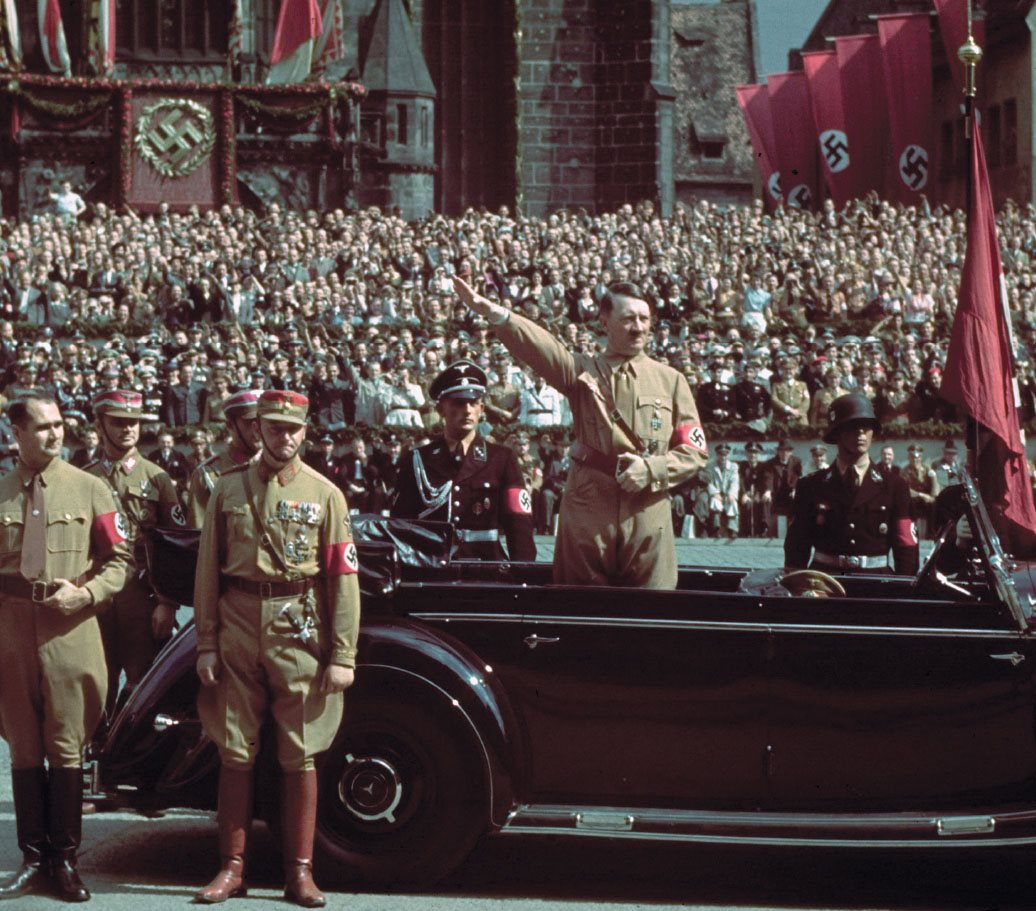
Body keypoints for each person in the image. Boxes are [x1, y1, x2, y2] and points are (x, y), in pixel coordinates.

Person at [193, 390, 361, 907]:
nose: (282, 437)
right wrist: (206, 642)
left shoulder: (325, 494)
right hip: (239, 620)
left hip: (297, 625)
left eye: (292, 429)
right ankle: (231, 868)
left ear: (305, 432)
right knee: (235, 747)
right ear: (256, 429)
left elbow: (343, 578)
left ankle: (300, 873)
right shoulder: (228, 490)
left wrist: (342, 656)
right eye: (272, 427)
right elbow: (207, 572)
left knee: (301, 749)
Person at [454, 276, 705, 587]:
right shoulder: (582, 372)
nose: (638, 327)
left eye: (644, 318)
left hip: (648, 511)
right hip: (589, 508)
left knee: (652, 610)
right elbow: (543, 349)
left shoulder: (672, 380)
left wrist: (652, 469)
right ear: (604, 322)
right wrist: (498, 314)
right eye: (627, 319)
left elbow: (693, 452)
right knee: (580, 605)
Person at [0, 395, 131, 902]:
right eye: (42, 427)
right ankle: (33, 859)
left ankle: (66, 860)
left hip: (69, 629)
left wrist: (89, 593)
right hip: (10, 630)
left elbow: (119, 561)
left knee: (67, 743)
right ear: (17, 433)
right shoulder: (2, 492)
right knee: (25, 745)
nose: (55, 435)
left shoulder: (90, 488)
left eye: (59, 425)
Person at [85, 390, 186, 719]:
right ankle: (95, 755)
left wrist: (168, 603)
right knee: (97, 682)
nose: (128, 428)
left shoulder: (157, 479)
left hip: (141, 597)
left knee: (144, 685)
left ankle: (132, 763)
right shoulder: (84, 479)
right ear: (100, 425)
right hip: (96, 596)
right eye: (118, 422)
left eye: (134, 423)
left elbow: (176, 545)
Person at [391, 360, 536, 561]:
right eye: (458, 402)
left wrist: (523, 578)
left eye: (474, 402)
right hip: (432, 569)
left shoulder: (502, 459)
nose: (467, 410)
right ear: (441, 409)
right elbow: (400, 524)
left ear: (482, 408)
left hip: (487, 570)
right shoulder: (418, 460)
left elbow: (519, 525)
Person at [785, 393, 919, 575]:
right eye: (853, 427)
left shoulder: (895, 486)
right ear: (837, 433)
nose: (861, 433)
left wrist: (905, 591)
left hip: (876, 585)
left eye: (867, 427)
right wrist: (797, 587)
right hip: (825, 583)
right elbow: (796, 546)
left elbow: (906, 546)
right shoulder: (811, 485)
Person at [185, 390, 262, 529]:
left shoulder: (279, 467)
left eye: (262, 422)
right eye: (249, 423)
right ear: (230, 426)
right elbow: (199, 537)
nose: (257, 429)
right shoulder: (208, 475)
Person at [763, 438, 801, 538]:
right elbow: (769, 477)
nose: (784, 453)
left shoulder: (797, 462)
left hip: (790, 492)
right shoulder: (770, 463)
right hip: (776, 493)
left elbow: (798, 477)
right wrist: (768, 490)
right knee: (766, 500)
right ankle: (767, 528)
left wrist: (794, 489)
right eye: (782, 450)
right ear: (778, 451)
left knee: (798, 499)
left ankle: (795, 530)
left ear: (791, 452)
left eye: (787, 451)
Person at [903, 443, 939, 540]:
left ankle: (932, 534)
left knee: (934, 504)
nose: (915, 459)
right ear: (909, 457)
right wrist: (922, 495)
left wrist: (932, 496)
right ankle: (913, 533)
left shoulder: (927, 469)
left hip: (926, 500)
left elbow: (935, 488)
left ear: (921, 458)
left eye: (918, 457)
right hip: (913, 499)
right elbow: (906, 490)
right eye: (912, 457)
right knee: (912, 504)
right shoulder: (905, 471)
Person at [738, 441, 771, 537]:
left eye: (755, 453)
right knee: (747, 505)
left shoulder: (763, 467)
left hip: (758, 493)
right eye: (750, 452)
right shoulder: (742, 466)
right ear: (746, 454)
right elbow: (740, 481)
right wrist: (743, 494)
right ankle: (745, 532)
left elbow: (765, 480)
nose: (753, 455)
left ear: (759, 454)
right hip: (745, 494)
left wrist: (759, 493)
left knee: (763, 502)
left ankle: (764, 529)